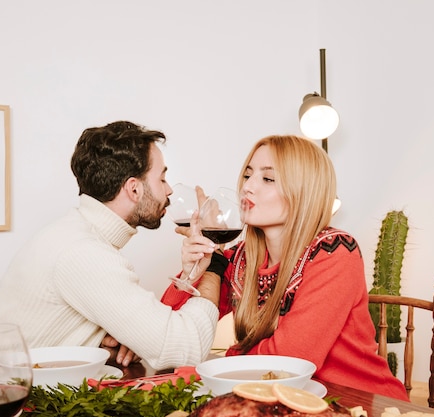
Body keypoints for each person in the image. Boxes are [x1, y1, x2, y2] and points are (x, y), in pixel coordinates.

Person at [161, 134, 409, 401]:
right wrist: (195, 268)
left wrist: (220, 365)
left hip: (362, 402)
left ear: (303, 191)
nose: (247, 187)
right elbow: (172, 332)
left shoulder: (335, 250)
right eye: (247, 175)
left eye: (267, 179)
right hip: (286, 400)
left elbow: (290, 360)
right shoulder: (242, 258)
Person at [0, 121, 221, 370]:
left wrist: (117, 338)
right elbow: (187, 348)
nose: (169, 190)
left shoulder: (75, 235)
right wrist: (214, 264)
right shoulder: (84, 253)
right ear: (134, 188)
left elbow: (151, 331)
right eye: (162, 178)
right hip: (10, 402)